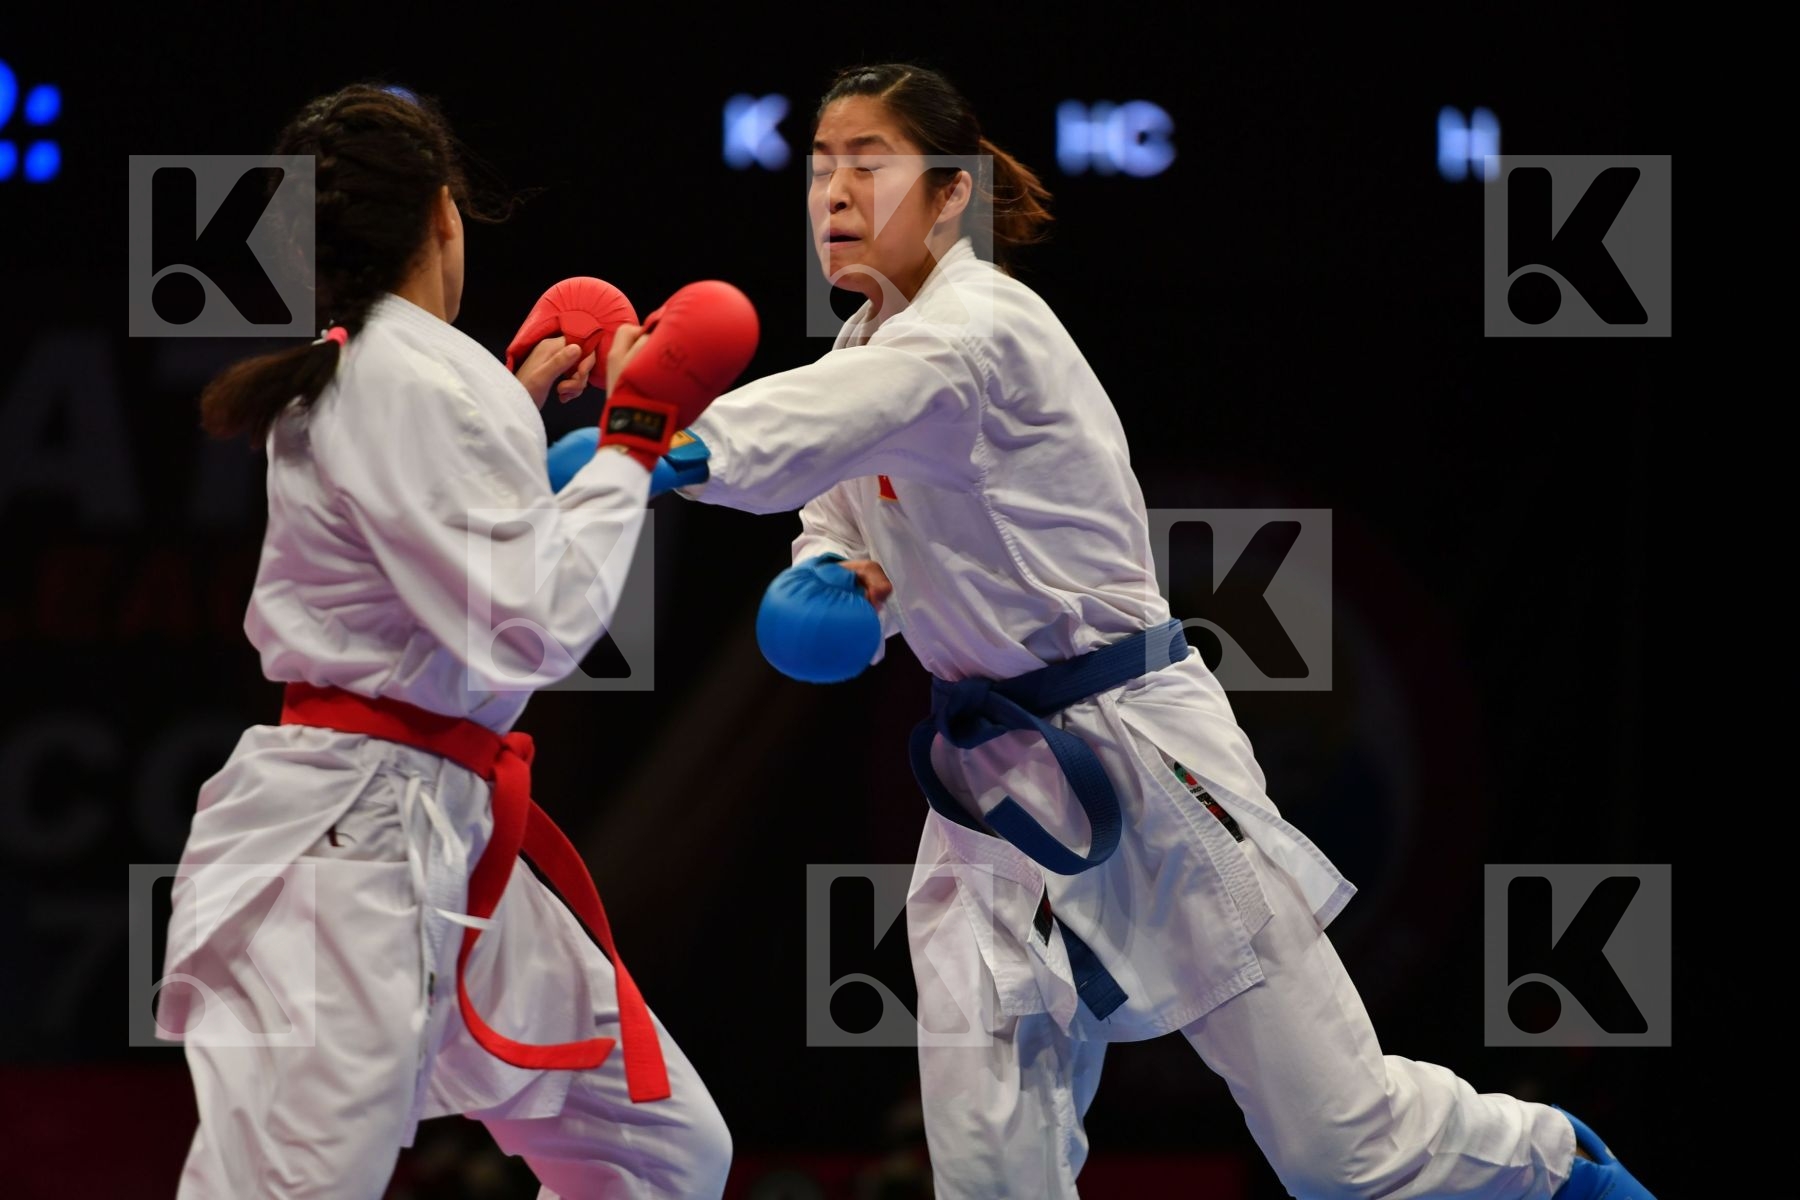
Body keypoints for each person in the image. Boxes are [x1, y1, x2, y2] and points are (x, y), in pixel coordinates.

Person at [595, 63, 1656, 1200]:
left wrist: (644, 439)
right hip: (986, 786)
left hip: (1139, 756)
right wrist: (831, 579)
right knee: (991, 1169)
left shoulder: (980, 328)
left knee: (1341, 1150)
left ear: (951, 195)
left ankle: (1561, 1169)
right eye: (819, 167)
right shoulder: (863, 350)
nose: (834, 192)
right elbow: (830, 502)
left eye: (869, 161)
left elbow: (808, 431)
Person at [159, 83, 751, 1198]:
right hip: (349, 844)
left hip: (440, 827)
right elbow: (529, 624)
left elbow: (444, 556)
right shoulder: (404, 373)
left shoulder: (393, 367)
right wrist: (631, 436)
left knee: (662, 1148)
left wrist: (522, 410)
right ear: (444, 211)